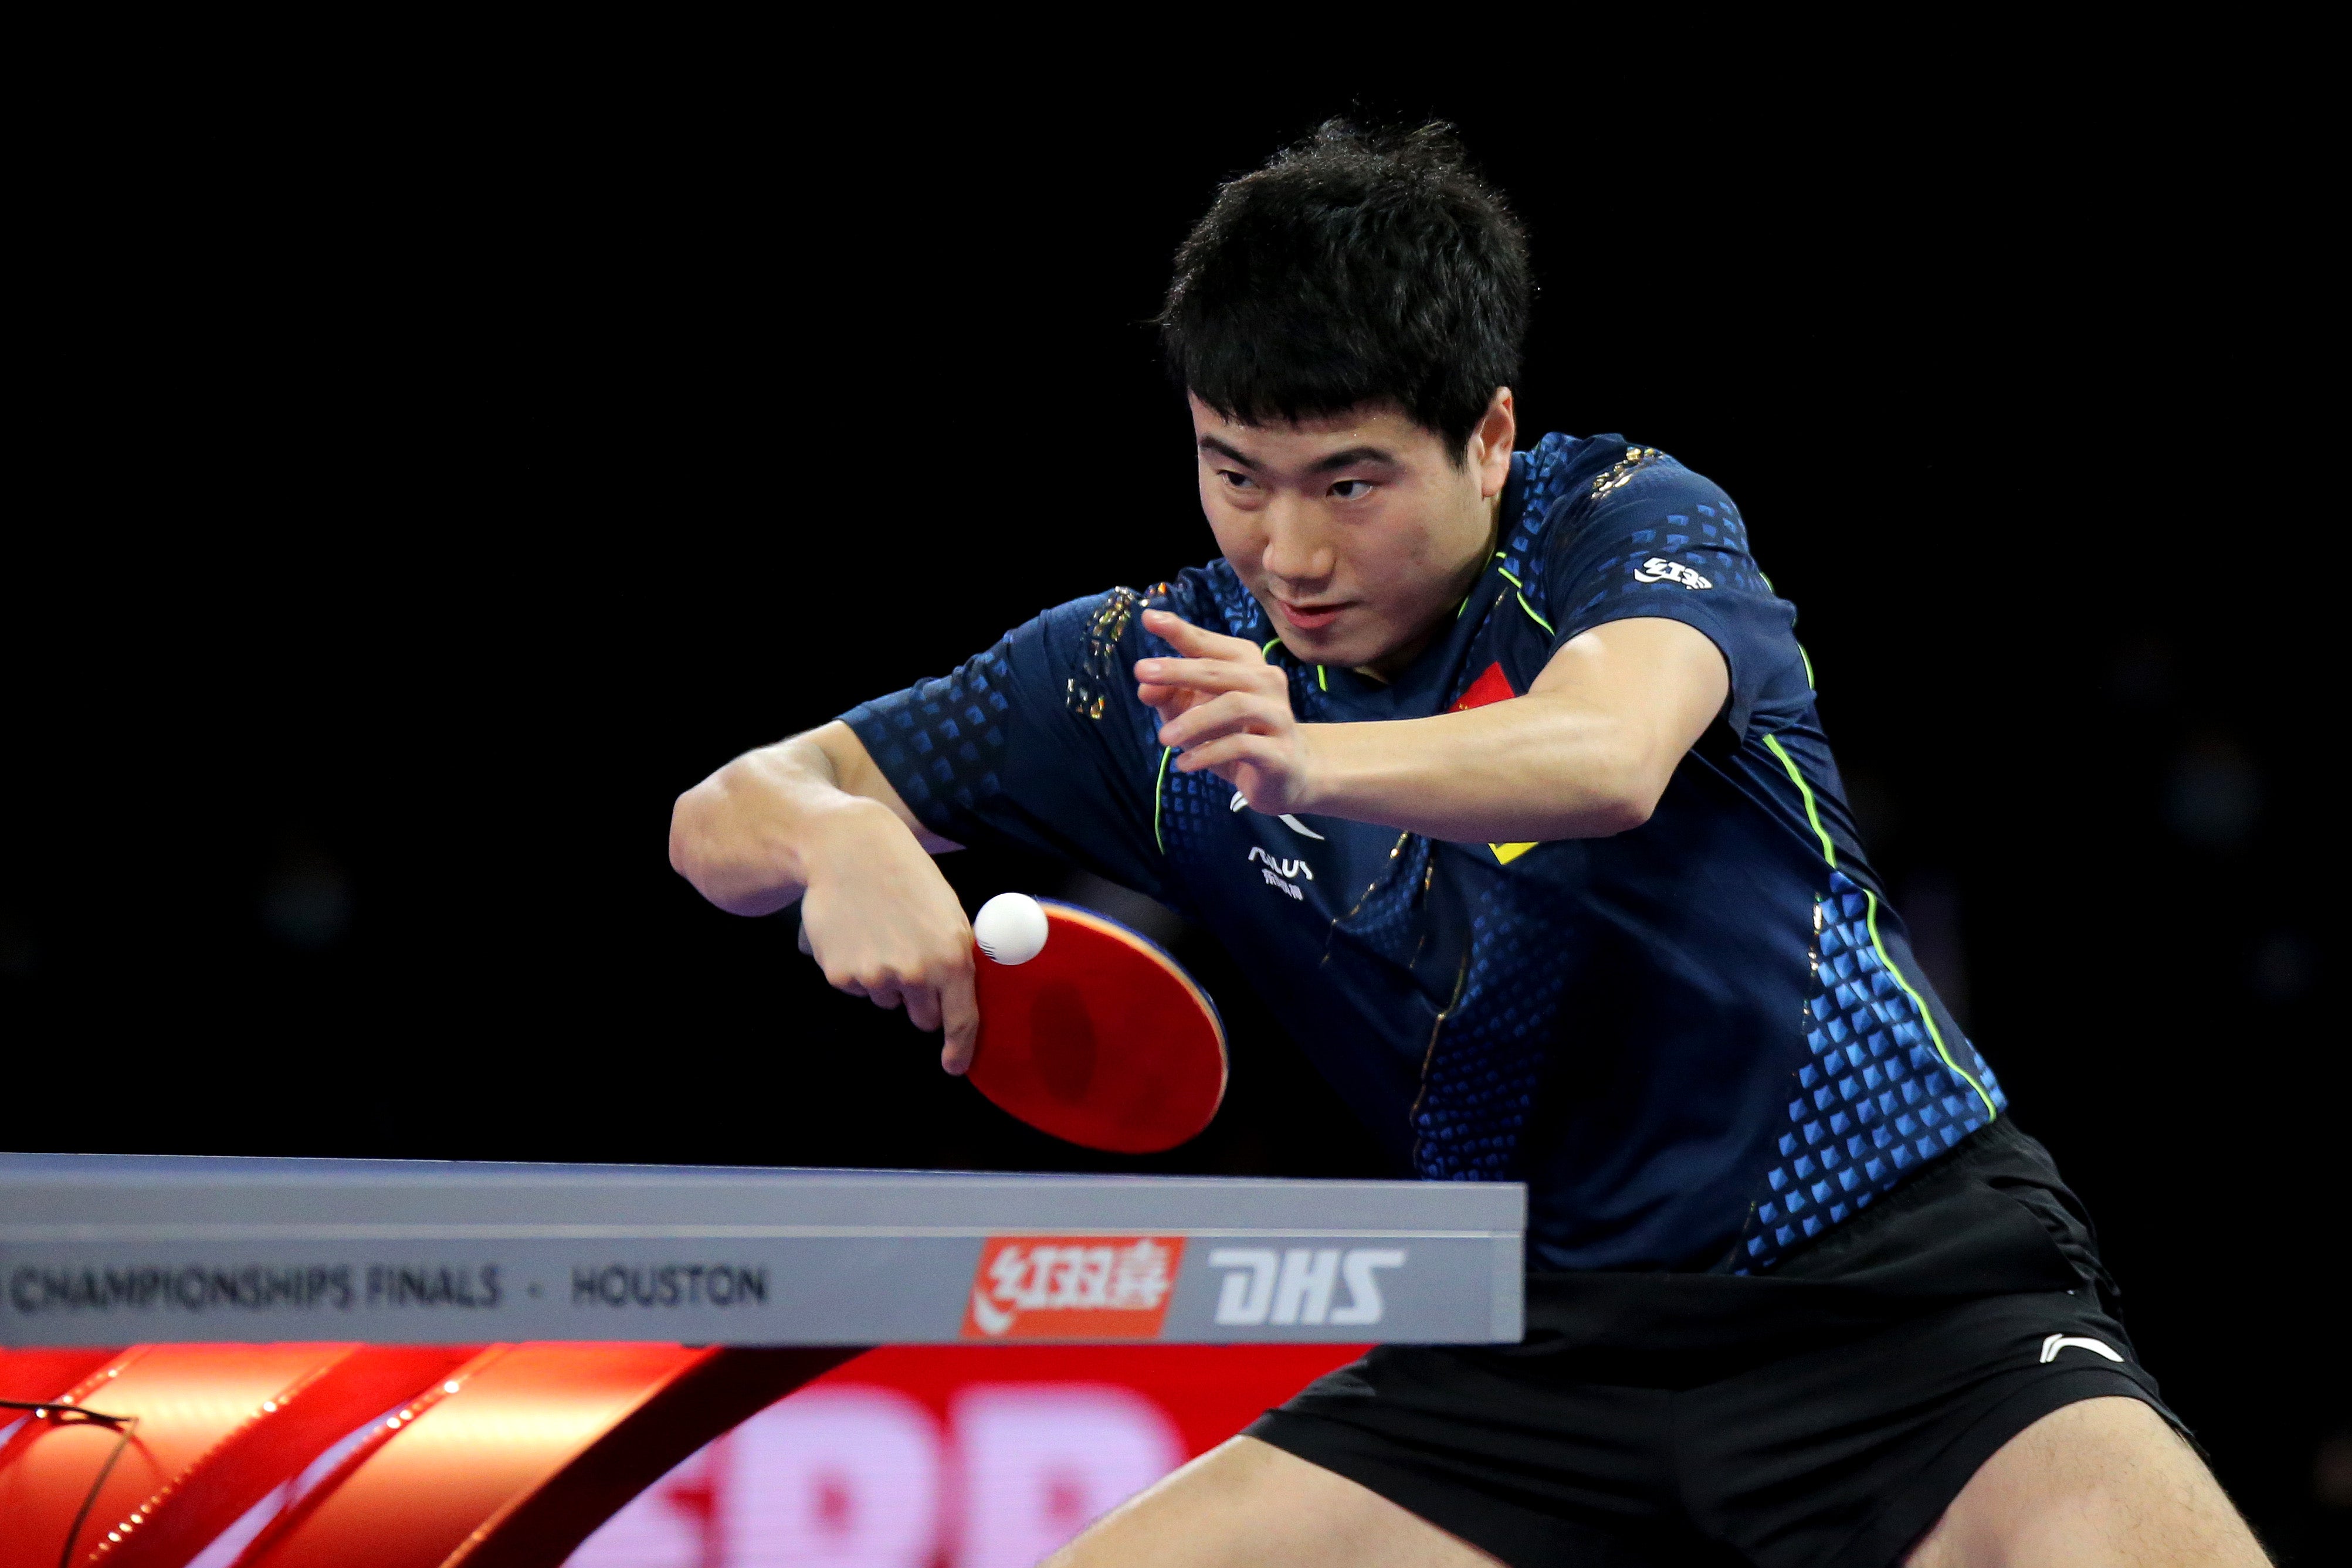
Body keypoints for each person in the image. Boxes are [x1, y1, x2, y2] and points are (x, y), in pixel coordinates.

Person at [669, 123, 2268, 1567]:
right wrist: (837, 837)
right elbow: (723, 812)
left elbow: (1608, 751)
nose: (1287, 550)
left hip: (1907, 1302)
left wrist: (1312, 757)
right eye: (1236, 473)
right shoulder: (1143, 668)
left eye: (1350, 481)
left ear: (1486, 436)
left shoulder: (1618, 521)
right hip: (1520, 1338)